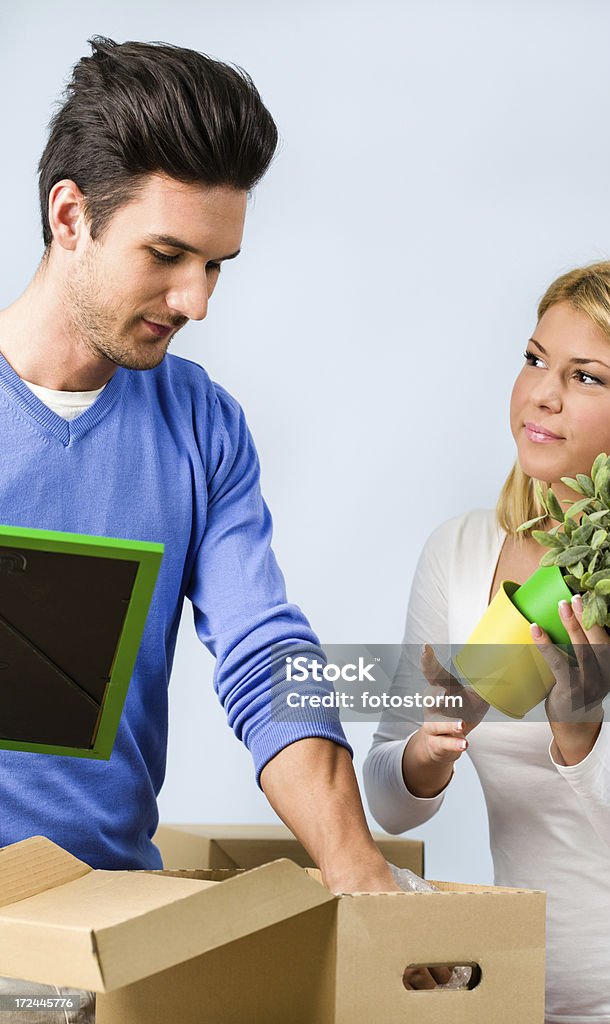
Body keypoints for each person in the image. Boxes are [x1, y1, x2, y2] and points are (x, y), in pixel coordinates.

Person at [0, 35, 398, 904]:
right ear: (70, 218)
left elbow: (265, 659)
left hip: (103, 919)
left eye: (215, 265)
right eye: (167, 255)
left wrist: (356, 868)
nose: (197, 302)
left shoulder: (201, 427)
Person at [364, 261, 610, 1024]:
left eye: (586, 377)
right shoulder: (463, 551)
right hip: (502, 997)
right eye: (535, 359)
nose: (541, 393)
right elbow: (389, 807)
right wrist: (428, 751)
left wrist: (581, 738)